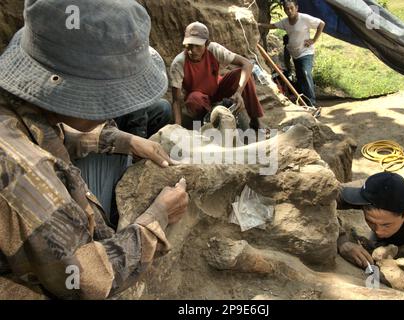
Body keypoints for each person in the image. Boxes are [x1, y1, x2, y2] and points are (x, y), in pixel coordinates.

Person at [0, 0, 188, 299]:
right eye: (115, 96)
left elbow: (52, 137)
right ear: (74, 91)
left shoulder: (18, 111)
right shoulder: (22, 169)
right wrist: (156, 219)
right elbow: (83, 280)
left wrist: (125, 141)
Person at [337, 172, 404, 290]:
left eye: (386, 225)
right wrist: (341, 239)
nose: (378, 231)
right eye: (371, 222)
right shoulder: (371, 191)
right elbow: (321, 197)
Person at [170, 21, 265, 130]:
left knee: (242, 75)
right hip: (199, 99)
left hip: (218, 89)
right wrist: (177, 126)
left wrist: (238, 92)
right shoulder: (179, 63)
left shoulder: (214, 49)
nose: (192, 50)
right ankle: (209, 120)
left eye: (197, 46)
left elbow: (247, 64)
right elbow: (176, 100)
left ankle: (255, 121)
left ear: (206, 44)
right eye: (189, 46)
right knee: (193, 100)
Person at [258, 0, 325, 107]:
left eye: (291, 8)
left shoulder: (304, 18)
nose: (289, 11)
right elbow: (273, 26)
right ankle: (304, 101)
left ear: (296, 8)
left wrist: (313, 40)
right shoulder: (285, 22)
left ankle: (312, 103)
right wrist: (259, 24)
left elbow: (321, 24)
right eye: (286, 9)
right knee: (301, 77)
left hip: (306, 52)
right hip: (295, 54)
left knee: (306, 74)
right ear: (284, 10)